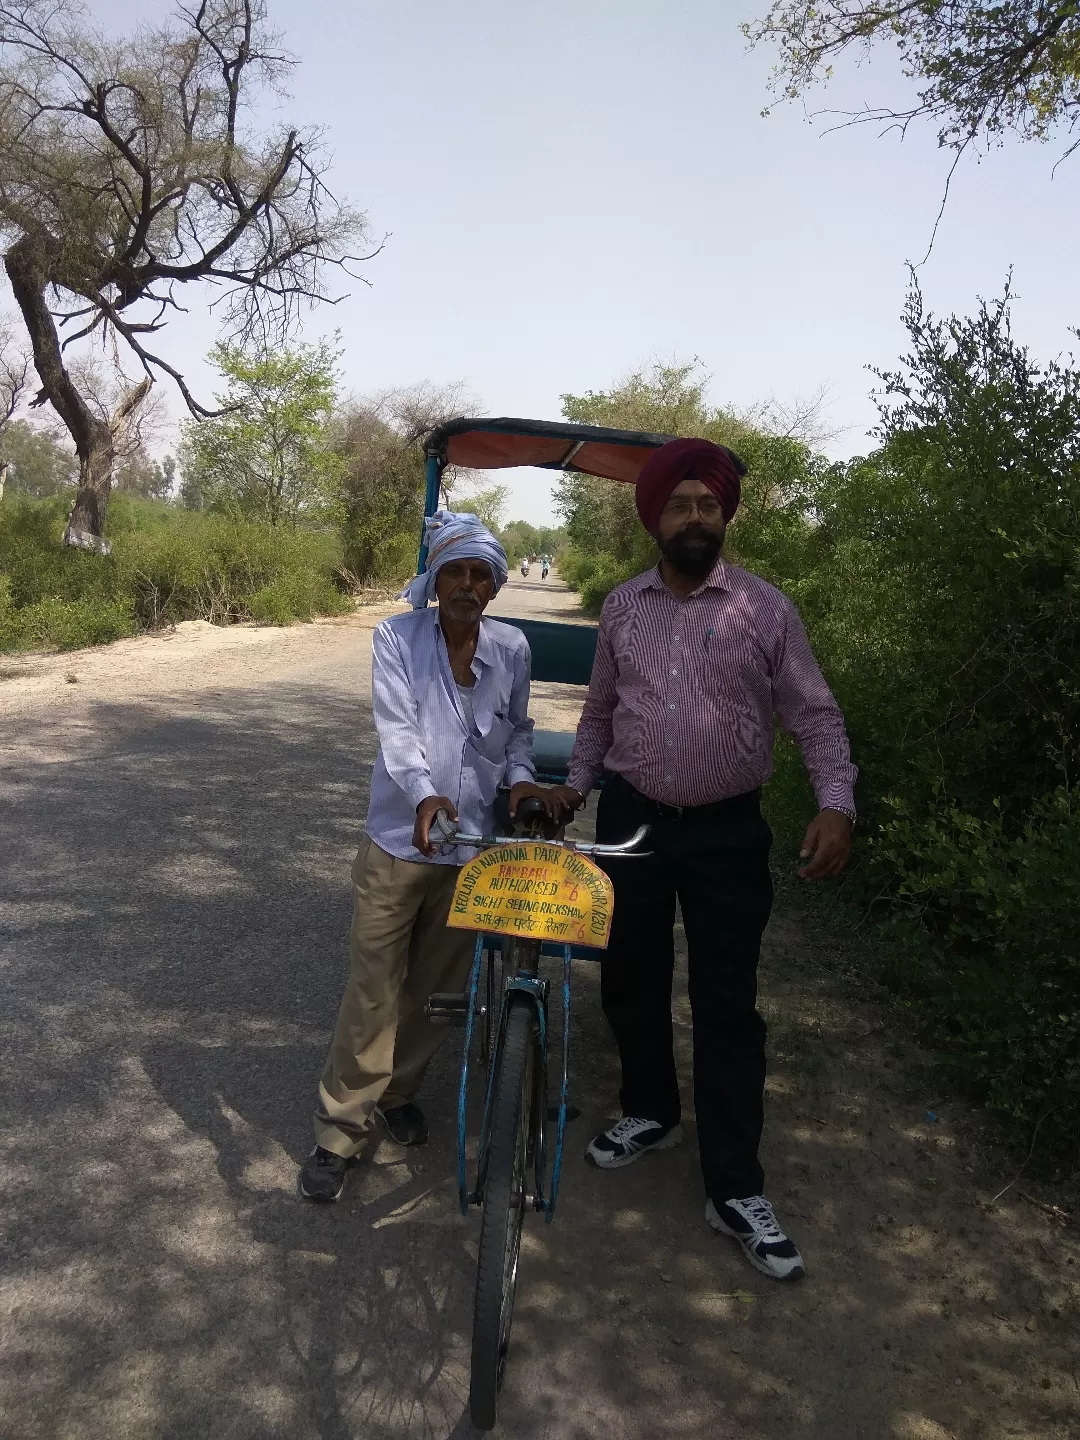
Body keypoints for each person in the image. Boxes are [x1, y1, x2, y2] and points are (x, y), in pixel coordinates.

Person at [551, 439, 856, 1281]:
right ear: (656, 517)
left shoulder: (766, 610)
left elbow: (816, 715)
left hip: (727, 832)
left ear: (724, 517)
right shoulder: (622, 608)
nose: (694, 518)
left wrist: (837, 802)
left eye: (707, 506)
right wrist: (574, 788)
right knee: (630, 976)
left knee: (728, 1002)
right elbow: (599, 715)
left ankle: (734, 1187)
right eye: (680, 505)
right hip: (636, 819)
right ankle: (651, 1109)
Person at [300, 511, 561, 1202]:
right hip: (400, 837)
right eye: (456, 572)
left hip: (471, 844)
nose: (468, 585)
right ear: (436, 578)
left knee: (439, 990)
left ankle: (401, 1090)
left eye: (482, 574)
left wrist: (525, 778)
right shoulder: (396, 636)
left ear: (496, 586)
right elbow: (397, 726)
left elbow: (517, 735)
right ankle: (340, 1129)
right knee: (374, 987)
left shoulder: (512, 648)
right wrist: (423, 795)